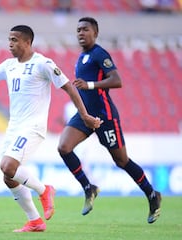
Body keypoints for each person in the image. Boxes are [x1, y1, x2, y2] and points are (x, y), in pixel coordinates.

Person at [0, 25, 102, 232]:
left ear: (27, 42)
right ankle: (35, 221)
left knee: (7, 167)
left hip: (33, 127)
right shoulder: (9, 65)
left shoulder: (43, 64)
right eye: (9, 39)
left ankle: (45, 190)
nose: (10, 43)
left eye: (14, 39)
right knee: (8, 177)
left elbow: (68, 87)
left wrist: (84, 115)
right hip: (14, 128)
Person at [57, 17, 161, 224]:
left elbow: (117, 80)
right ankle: (89, 188)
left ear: (95, 33)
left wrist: (90, 85)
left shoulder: (99, 54)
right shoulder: (82, 57)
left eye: (85, 29)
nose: (80, 33)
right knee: (63, 147)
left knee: (121, 161)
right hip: (85, 115)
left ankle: (152, 194)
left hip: (105, 116)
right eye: (78, 30)